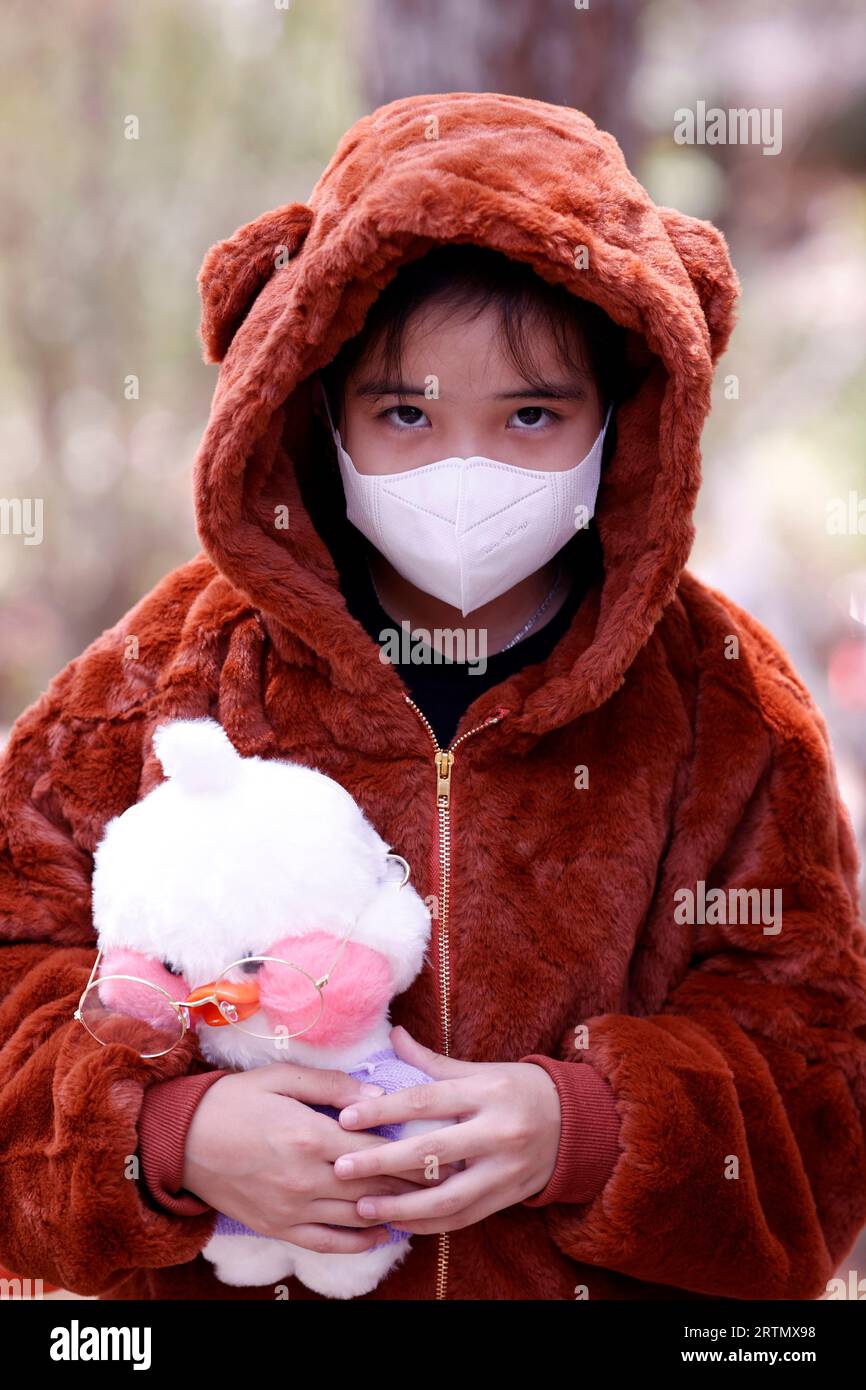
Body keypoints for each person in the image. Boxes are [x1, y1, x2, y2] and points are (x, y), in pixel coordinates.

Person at [1, 91, 865, 1303]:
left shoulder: (726, 708)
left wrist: (588, 1124)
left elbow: (821, 1077)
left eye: (529, 414)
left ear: (621, 420)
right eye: (404, 413)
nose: (466, 470)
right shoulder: (165, 672)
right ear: (315, 409)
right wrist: (168, 1136)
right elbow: (14, 965)